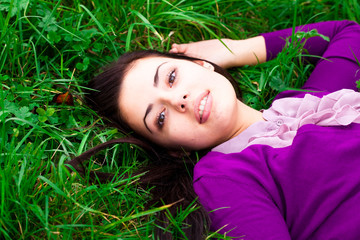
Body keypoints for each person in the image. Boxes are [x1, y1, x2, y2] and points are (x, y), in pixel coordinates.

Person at [71, 20, 360, 239]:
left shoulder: (313, 101)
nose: (177, 100)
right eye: (160, 118)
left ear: (201, 65)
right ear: (173, 148)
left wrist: (235, 48)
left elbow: (346, 32)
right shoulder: (223, 177)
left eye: (171, 77)